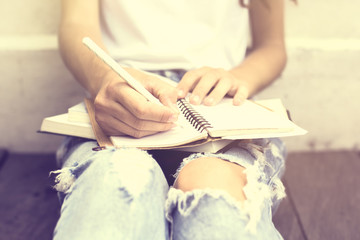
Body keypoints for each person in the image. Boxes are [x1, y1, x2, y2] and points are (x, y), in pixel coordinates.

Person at [51, 0, 293, 239]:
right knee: (117, 179)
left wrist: (237, 78)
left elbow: (271, 46)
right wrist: (105, 78)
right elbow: (77, 25)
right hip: (120, 97)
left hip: (220, 103)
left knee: (213, 190)